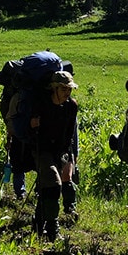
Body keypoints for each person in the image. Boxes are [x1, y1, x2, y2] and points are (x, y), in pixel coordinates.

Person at [29, 70, 79, 241]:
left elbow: (70, 132)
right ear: (54, 88)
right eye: (64, 89)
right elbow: (31, 130)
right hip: (41, 150)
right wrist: (33, 125)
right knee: (54, 184)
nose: (67, 92)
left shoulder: (71, 106)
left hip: (60, 152)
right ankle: (52, 227)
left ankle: (37, 223)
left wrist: (68, 154)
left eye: (69, 89)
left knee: (47, 187)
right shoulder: (41, 104)